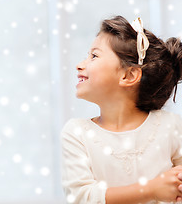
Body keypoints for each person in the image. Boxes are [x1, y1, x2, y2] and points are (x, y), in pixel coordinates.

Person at [61, 16, 182, 204]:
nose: (80, 64)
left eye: (94, 56)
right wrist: (151, 190)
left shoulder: (171, 126)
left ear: (129, 75)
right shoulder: (77, 133)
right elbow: (82, 197)